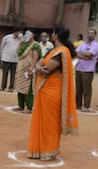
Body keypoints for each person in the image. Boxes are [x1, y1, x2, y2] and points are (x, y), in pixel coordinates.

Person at [28, 27, 78, 161]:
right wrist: (39, 67)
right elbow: (40, 63)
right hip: (44, 90)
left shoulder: (62, 52)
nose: (51, 36)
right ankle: (38, 150)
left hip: (52, 92)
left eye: (53, 33)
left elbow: (47, 69)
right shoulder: (52, 50)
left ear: (56, 36)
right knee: (41, 120)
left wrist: (38, 68)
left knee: (50, 122)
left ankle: (48, 150)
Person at [14, 30, 41, 114]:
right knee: (19, 87)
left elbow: (36, 57)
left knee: (28, 88)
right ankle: (20, 105)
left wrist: (32, 67)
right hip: (20, 68)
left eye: (27, 34)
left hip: (28, 68)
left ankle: (29, 107)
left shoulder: (35, 45)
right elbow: (18, 53)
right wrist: (20, 44)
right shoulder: (24, 44)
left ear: (32, 35)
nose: (25, 36)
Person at [75, 28, 98, 112]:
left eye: (92, 33)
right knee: (78, 88)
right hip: (79, 68)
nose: (90, 34)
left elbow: (90, 55)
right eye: (89, 33)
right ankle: (77, 104)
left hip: (88, 69)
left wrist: (81, 55)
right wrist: (85, 56)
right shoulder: (83, 43)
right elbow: (75, 53)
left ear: (95, 35)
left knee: (86, 88)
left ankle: (86, 106)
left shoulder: (97, 45)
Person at [0, 27, 22, 92]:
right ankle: (3, 86)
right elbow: (2, 46)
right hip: (6, 58)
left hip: (15, 59)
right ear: (14, 32)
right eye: (17, 32)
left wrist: (21, 37)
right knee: (5, 73)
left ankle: (11, 87)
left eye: (19, 33)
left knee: (13, 74)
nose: (18, 34)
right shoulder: (7, 37)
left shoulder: (20, 39)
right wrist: (2, 56)